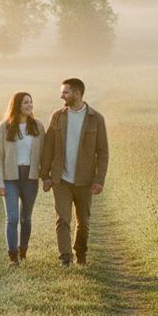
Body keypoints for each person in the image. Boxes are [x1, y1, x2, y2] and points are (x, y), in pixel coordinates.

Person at [40, 78, 109, 266]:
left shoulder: (96, 119)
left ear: (77, 94)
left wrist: (99, 179)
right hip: (61, 179)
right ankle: (65, 258)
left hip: (85, 181)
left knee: (84, 222)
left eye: (65, 92)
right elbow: (48, 146)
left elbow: (103, 152)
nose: (62, 96)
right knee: (62, 219)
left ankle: (80, 253)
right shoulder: (58, 116)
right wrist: (45, 175)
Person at [0, 92, 45, 265]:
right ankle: (13, 257)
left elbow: (44, 154)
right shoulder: (4, 127)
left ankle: (23, 250)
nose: (29, 105)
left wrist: (46, 177)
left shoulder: (38, 126)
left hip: (30, 178)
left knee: (26, 219)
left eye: (31, 102)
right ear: (17, 106)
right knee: (12, 218)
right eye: (25, 103)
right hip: (10, 178)